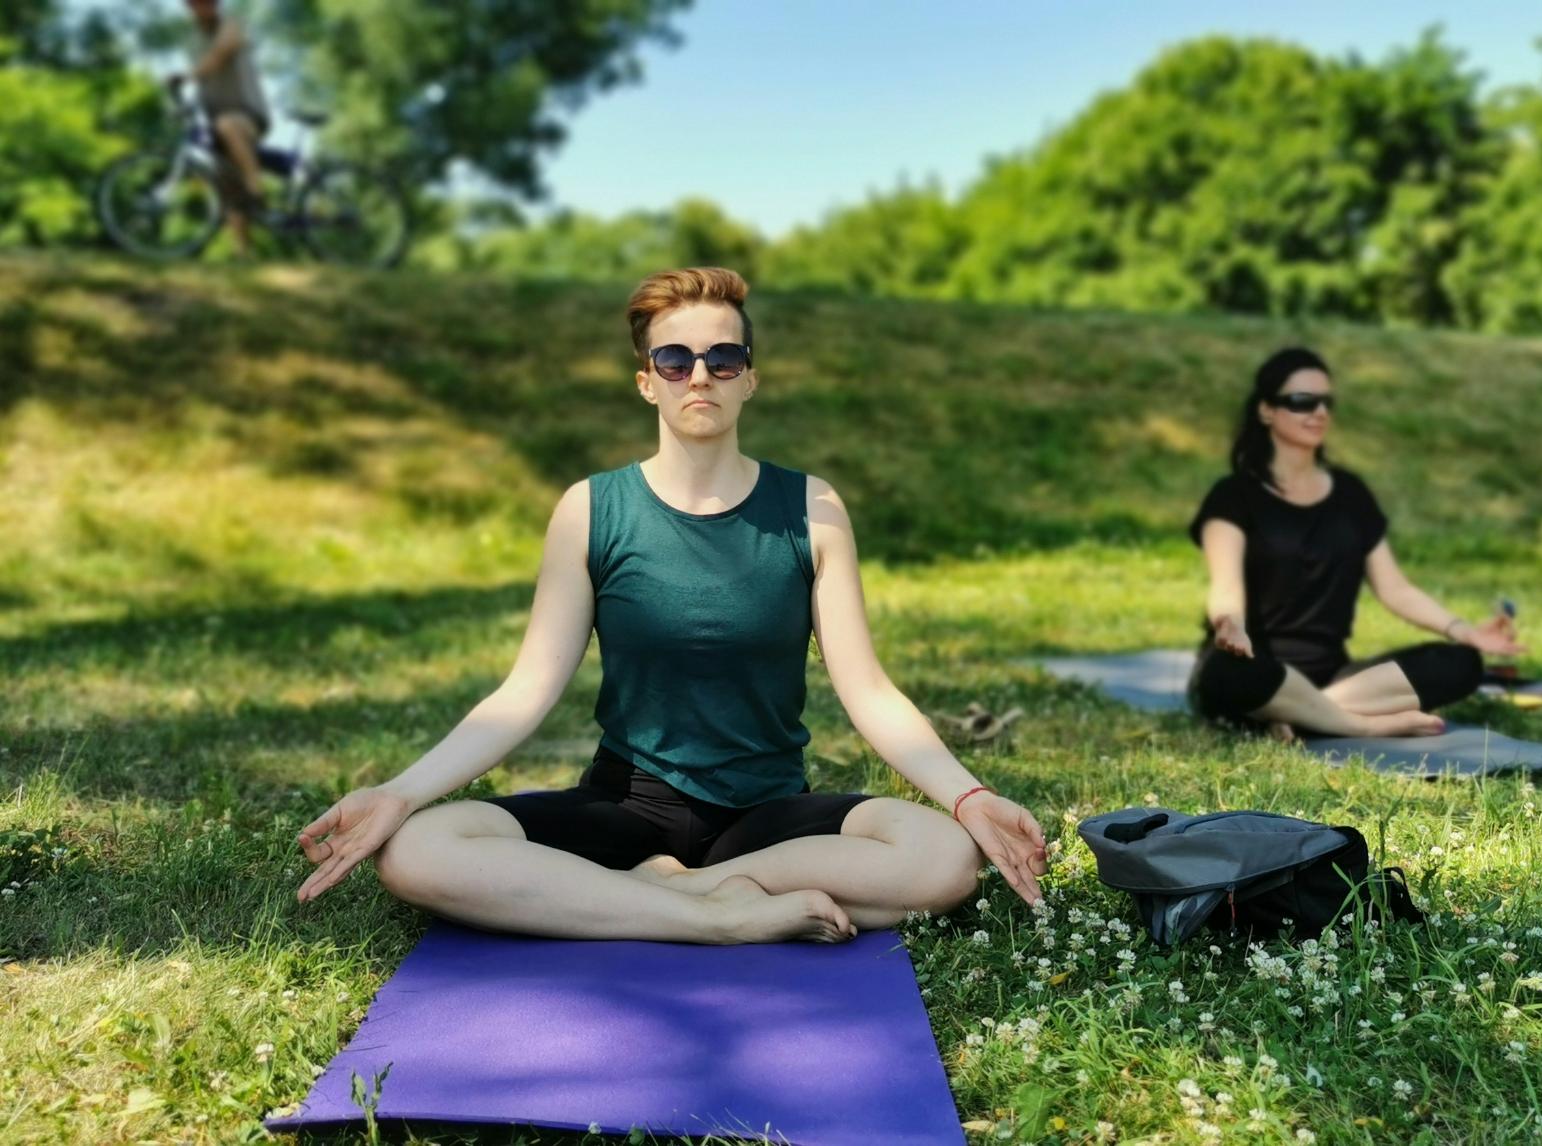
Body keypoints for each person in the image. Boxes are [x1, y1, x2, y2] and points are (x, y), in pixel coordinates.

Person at [292, 268, 1048, 944]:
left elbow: (869, 692)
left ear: (749, 378)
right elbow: (526, 691)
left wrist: (970, 796)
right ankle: (711, 913)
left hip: (769, 817)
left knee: (946, 858)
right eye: (675, 359)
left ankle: (663, 896)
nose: (700, 377)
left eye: (724, 358)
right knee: (418, 850)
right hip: (627, 808)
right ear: (646, 381)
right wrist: (399, 793)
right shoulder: (591, 509)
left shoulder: (812, 507)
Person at [1188, 347, 1525, 741]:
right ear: (1266, 410)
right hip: (1256, 666)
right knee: (1231, 673)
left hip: (1334, 676)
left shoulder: (1350, 494)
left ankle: (1301, 715)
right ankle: (1357, 723)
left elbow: (1395, 589)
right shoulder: (1233, 495)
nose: (1320, 412)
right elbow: (1226, 584)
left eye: (1326, 402)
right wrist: (1230, 625)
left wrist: (1466, 631)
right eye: (1302, 401)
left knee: (1460, 664)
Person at [175, 0, 270, 259]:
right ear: (188, 5)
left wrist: (186, 76)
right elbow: (204, 74)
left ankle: (257, 190)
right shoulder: (191, 39)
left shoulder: (233, 23)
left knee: (228, 124)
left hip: (248, 113)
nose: (204, 4)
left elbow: (221, 53)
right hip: (215, 116)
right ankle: (242, 252)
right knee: (226, 181)